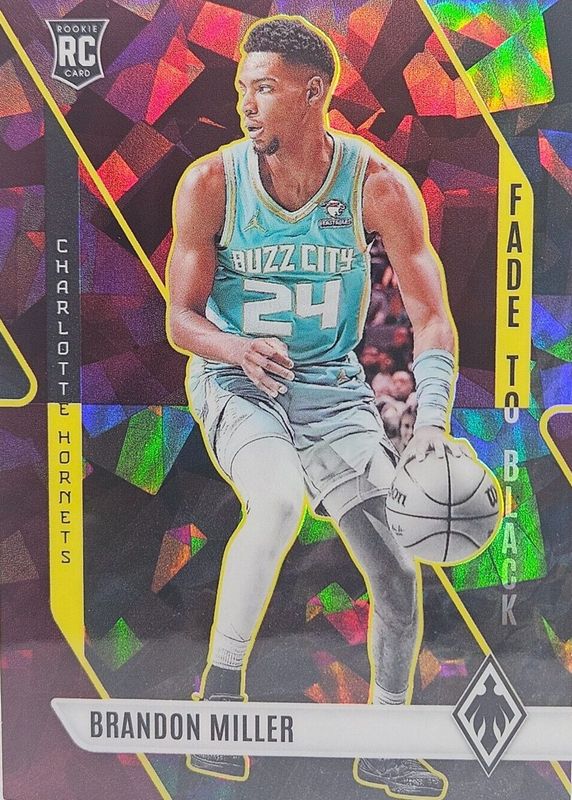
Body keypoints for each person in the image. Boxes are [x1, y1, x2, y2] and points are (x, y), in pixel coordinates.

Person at [167, 15, 464, 799]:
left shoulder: (377, 185)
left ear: (313, 91)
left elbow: (432, 317)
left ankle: (386, 745)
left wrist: (429, 425)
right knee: (277, 503)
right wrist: (234, 348)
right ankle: (219, 700)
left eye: (263, 87)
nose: (246, 103)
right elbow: (180, 320)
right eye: (242, 88)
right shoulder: (210, 182)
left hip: (330, 389)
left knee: (397, 570)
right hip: (237, 380)